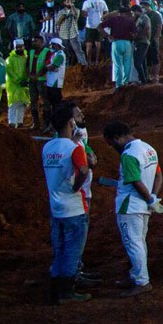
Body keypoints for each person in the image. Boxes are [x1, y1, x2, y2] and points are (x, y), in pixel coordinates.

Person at [103, 121, 163, 298]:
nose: (112, 147)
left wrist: (149, 198)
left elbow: (136, 182)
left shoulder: (129, 154)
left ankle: (142, 281)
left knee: (133, 243)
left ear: (117, 138)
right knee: (140, 242)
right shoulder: (149, 148)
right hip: (144, 206)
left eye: (111, 143)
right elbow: (159, 175)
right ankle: (137, 275)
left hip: (130, 206)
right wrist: (153, 198)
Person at [42, 101, 92, 304]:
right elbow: (84, 169)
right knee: (73, 248)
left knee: (60, 246)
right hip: (73, 205)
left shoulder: (47, 147)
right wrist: (76, 187)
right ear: (71, 123)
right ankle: (67, 291)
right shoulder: (73, 148)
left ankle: (56, 287)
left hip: (55, 206)